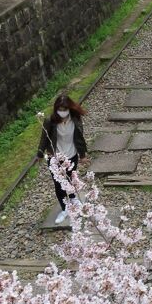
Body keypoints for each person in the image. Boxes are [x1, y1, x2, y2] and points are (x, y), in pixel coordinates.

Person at [37, 95, 88, 224]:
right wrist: (39, 154)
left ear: (69, 108)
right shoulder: (50, 121)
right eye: (60, 109)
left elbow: (79, 137)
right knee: (59, 184)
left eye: (65, 109)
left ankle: (72, 198)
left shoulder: (75, 119)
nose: (62, 111)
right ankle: (65, 208)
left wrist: (82, 155)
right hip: (55, 158)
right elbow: (44, 138)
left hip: (71, 155)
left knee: (71, 179)